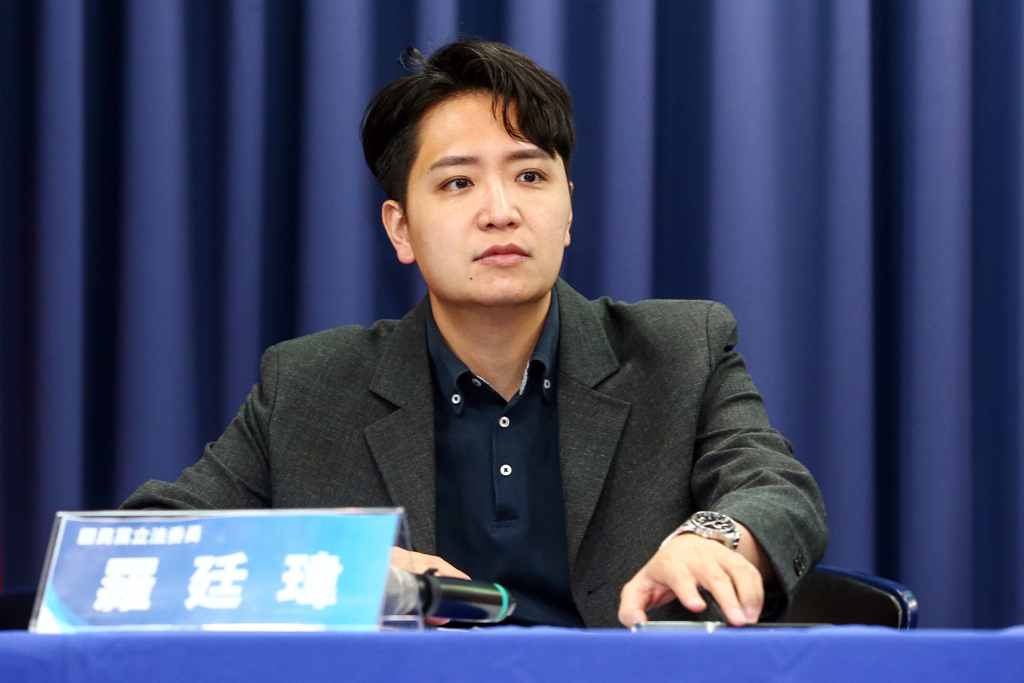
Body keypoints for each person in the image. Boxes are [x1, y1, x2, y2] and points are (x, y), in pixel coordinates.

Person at [123, 41, 828, 629]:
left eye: (530, 175)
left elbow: (776, 489)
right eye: (458, 183)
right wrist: (340, 563)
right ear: (401, 228)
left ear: (568, 210)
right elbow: (143, 547)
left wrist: (713, 537)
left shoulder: (680, 350)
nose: (500, 210)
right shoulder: (309, 388)